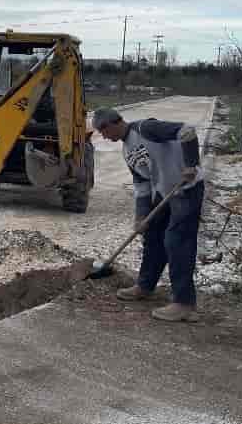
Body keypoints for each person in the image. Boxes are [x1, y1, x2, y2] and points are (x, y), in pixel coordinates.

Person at [92, 108, 204, 323]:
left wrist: (191, 164)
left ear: (112, 124)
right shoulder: (127, 150)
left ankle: (184, 304)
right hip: (163, 192)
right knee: (152, 236)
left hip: (186, 190)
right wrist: (140, 217)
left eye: (103, 132)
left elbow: (187, 131)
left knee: (177, 241)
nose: (104, 137)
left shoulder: (146, 128)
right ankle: (145, 286)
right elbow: (142, 185)